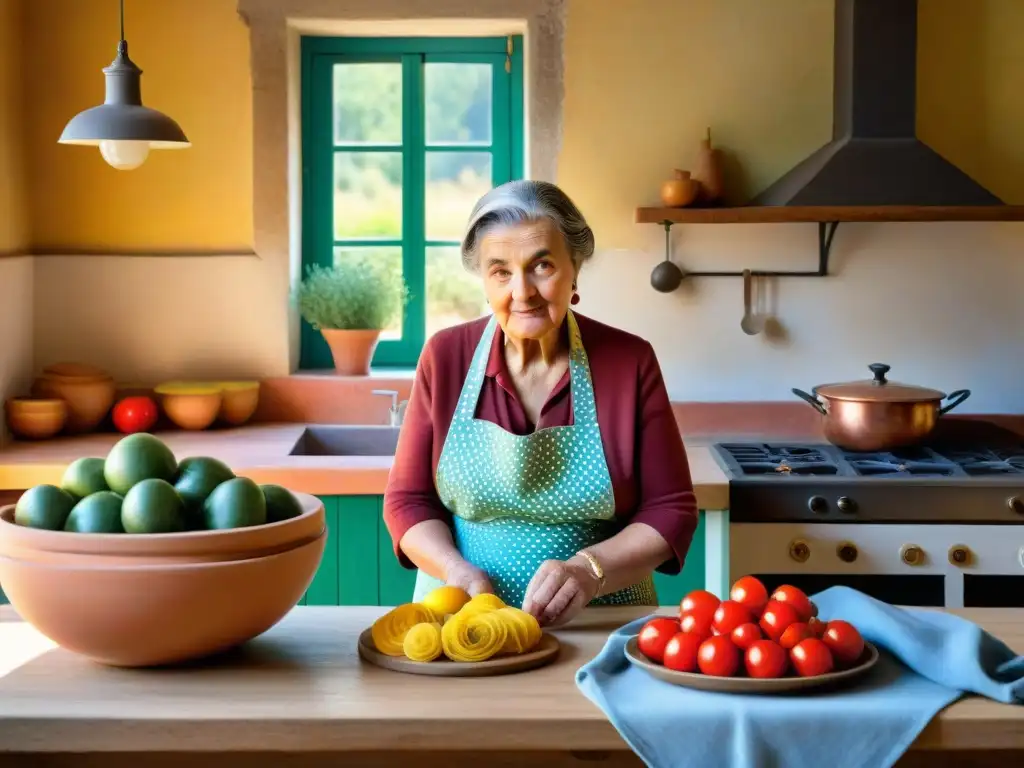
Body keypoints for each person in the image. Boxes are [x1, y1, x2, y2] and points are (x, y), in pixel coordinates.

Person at [383, 180, 698, 627]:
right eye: (501, 271)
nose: (522, 291)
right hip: (462, 622)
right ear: (484, 280)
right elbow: (407, 500)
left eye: (542, 266)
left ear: (575, 269)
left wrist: (589, 571)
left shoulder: (629, 361)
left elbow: (671, 509)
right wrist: (454, 570)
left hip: (602, 623)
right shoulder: (445, 356)